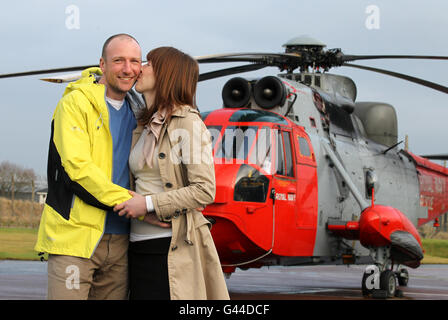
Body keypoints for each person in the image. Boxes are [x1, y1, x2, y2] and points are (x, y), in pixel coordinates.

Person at [114, 46, 230, 300]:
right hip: (135, 244)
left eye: (148, 64)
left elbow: (204, 190)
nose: (139, 69)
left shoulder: (188, 122)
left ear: (166, 74)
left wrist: (146, 204)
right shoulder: (144, 125)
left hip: (169, 246)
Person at [34, 34, 144, 299]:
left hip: (122, 240)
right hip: (75, 239)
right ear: (102, 64)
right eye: (118, 60)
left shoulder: (140, 109)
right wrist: (142, 207)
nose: (127, 69)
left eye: (134, 61)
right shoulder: (75, 103)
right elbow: (77, 170)